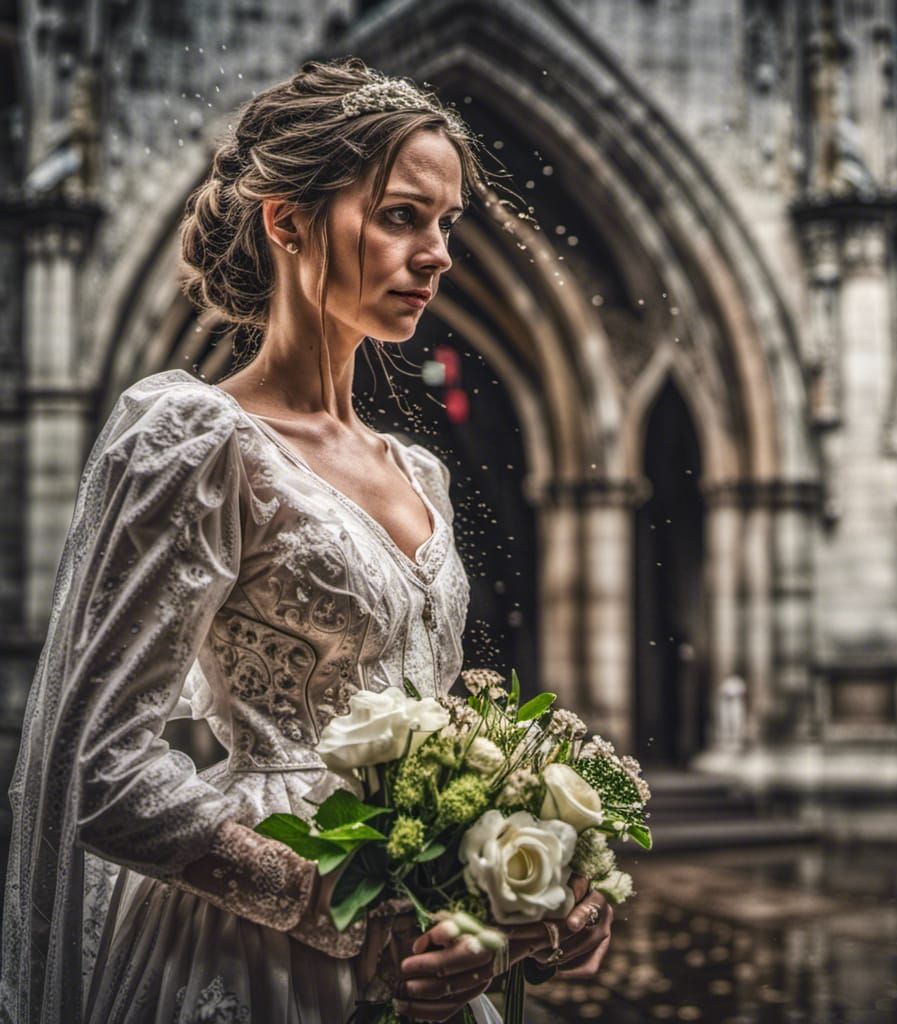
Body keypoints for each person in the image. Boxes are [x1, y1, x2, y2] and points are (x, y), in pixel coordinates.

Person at [0, 57, 613, 1023]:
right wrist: (344, 911)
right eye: (402, 216)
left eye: (445, 223)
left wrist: (532, 893)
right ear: (288, 220)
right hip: (249, 951)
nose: (438, 253)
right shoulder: (192, 439)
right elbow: (103, 771)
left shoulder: (421, 474)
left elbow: (432, 733)